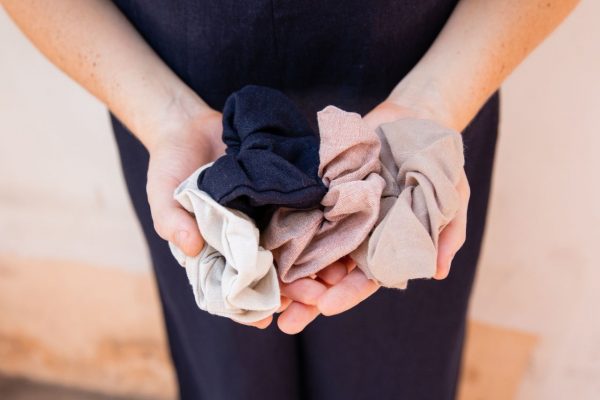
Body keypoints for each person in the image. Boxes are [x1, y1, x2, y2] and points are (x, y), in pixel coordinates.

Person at [2, 0, 579, 398]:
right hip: (173, 108)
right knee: (229, 380)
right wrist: (163, 116)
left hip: (426, 98)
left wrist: (435, 103)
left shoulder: (420, 154)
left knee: (399, 377)